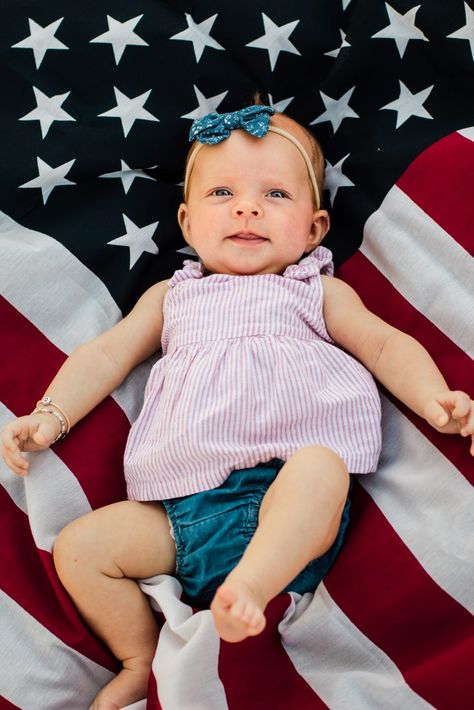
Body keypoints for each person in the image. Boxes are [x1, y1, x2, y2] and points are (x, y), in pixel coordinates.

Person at [2, 103, 473, 710]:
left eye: (276, 193)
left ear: (314, 229)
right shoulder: (171, 298)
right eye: (222, 192)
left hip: (290, 502)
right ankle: (137, 658)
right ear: (188, 222)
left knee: (319, 466)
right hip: (185, 517)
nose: (247, 207)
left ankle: (253, 583)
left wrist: (438, 401)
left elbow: (385, 344)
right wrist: (50, 416)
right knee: (81, 547)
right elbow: (105, 356)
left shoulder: (316, 290)